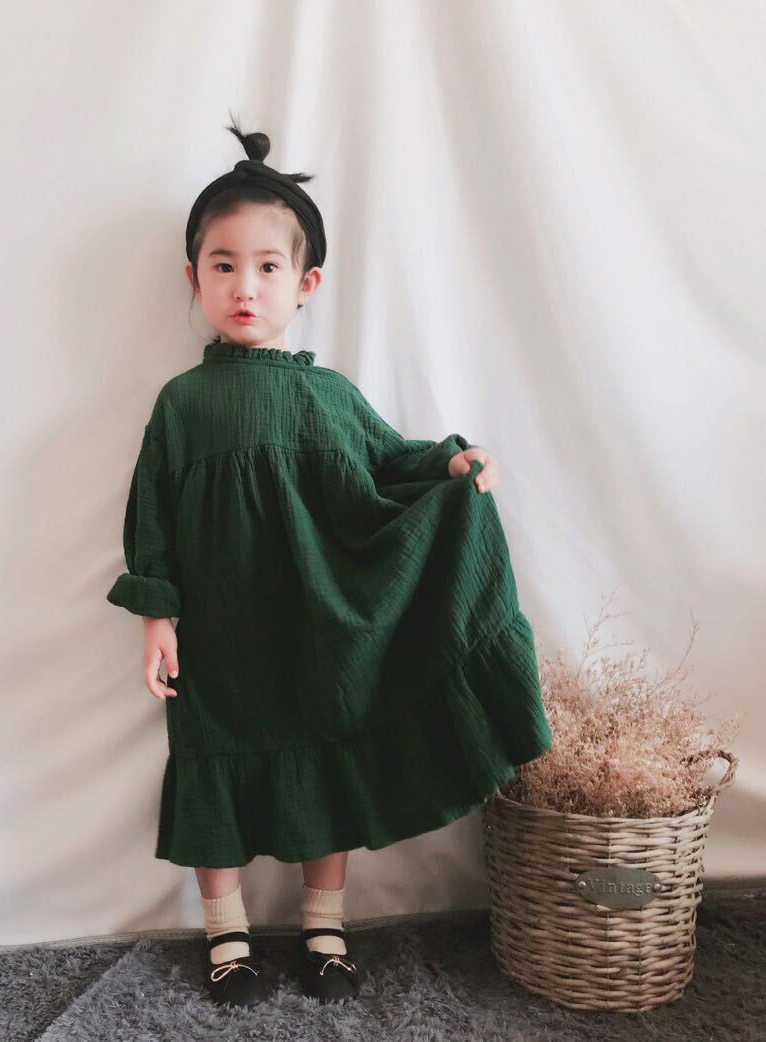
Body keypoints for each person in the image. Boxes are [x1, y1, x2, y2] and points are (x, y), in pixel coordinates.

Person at [106, 114, 553, 1008]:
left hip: (317, 625)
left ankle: (324, 927)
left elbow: (389, 466)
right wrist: (157, 615)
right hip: (220, 635)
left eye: (267, 267)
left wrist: (452, 465)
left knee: (323, 768)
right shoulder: (181, 405)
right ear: (192, 277)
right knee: (212, 763)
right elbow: (151, 515)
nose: (245, 287)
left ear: (306, 283)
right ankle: (226, 935)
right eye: (223, 266)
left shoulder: (329, 397)